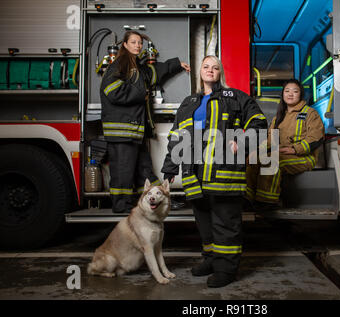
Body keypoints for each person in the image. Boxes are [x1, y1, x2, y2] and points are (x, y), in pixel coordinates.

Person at [161, 55, 268, 288]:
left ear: (221, 73)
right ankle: (210, 260)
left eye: (215, 67)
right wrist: (170, 167)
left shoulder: (236, 97)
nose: (210, 70)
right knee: (204, 223)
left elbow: (259, 123)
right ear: (200, 72)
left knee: (225, 224)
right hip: (194, 174)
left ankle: (226, 269)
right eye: (206, 66)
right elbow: (176, 137)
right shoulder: (189, 102)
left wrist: (243, 142)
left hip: (224, 173)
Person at [100, 31, 190, 213]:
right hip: (122, 131)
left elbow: (154, 72)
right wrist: (141, 93)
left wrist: (176, 65)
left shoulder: (137, 67)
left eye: (140, 42)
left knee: (144, 170)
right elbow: (111, 90)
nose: (137, 45)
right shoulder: (119, 64)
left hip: (134, 131)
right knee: (123, 172)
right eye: (133, 42)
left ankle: (159, 201)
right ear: (124, 45)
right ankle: (121, 206)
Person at [246, 79, 325, 208]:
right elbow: (270, 141)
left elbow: (316, 137)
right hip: (280, 154)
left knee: (272, 160)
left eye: (295, 91)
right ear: (283, 94)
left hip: (304, 157)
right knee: (253, 161)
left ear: (301, 94)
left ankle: (267, 202)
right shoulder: (279, 117)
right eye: (287, 91)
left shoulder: (310, 113)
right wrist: (256, 152)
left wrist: (295, 149)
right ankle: (248, 199)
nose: (290, 94)